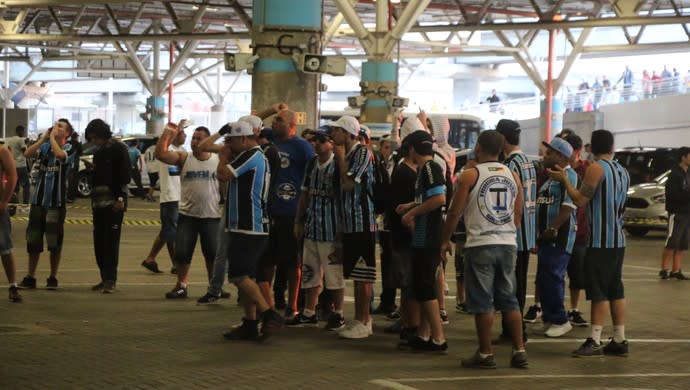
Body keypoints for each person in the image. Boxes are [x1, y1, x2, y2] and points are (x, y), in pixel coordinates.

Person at [441, 130, 527, 369]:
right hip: (508, 242)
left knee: (482, 301)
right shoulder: (512, 174)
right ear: (501, 149)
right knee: (509, 299)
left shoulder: (470, 175)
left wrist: (444, 240)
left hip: (480, 243)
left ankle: (486, 352)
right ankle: (519, 350)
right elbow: (518, 210)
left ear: (478, 147)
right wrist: (509, 229)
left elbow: (454, 212)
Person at [548, 129, 630, 357]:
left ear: (591, 147)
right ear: (612, 147)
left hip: (600, 241)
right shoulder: (623, 171)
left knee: (599, 291)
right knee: (616, 289)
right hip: (618, 239)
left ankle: (594, 339)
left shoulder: (596, 168)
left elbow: (580, 199)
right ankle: (620, 338)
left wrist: (564, 178)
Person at [218, 121, 284, 341]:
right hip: (247, 226)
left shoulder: (251, 155)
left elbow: (223, 175)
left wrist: (222, 157)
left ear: (244, 139)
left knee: (238, 275)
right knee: (248, 276)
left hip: (249, 227)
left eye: (233, 141)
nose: (230, 145)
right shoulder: (253, 156)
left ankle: (268, 313)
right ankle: (250, 321)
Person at [255, 105, 315, 319]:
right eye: (274, 120)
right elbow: (251, 120)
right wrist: (271, 109)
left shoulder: (302, 147)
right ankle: (268, 305)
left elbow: (312, 176)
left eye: (278, 120)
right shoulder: (270, 139)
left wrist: (304, 212)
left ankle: (293, 305)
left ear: (291, 125)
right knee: (266, 260)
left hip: (290, 212)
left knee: (291, 262)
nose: (273, 123)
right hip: (268, 211)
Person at [288, 129, 346, 330]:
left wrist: (342, 229)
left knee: (334, 274)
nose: (317, 144)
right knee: (309, 271)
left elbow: (344, 194)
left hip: (331, 230)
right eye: (315, 140)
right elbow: (304, 194)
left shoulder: (338, 165)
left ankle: (338, 313)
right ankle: (308, 312)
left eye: (322, 140)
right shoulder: (312, 163)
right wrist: (298, 221)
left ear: (331, 143)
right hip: (312, 227)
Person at [397, 130, 448, 352]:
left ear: (412, 149)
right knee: (423, 286)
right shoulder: (428, 168)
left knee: (426, 287)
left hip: (427, 237)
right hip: (424, 237)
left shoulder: (429, 168)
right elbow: (428, 198)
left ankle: (438, 337)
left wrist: (411, 213)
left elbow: (438, 198)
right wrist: (411, 206)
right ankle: (425, 334)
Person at [156, 125, 221, 299]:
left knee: (212, 253)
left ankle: (213, 288)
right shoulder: (184, 158)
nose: (194, 141)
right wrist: (169, 132)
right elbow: (160, 155)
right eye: (193, 137)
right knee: (183, 253)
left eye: (199, 138)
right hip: (188, 215)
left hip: (212, 215)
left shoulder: (218, 159)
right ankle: (181, 285)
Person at [329, 115, 377, 339]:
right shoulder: (349, 154)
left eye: (337, 130)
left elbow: (349, 185)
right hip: (349, 223)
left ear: (349, 133)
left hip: (362, 223)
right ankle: (359, 318)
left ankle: (364, 321)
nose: (333, 134)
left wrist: (339, 160)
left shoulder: (362, 152)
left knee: (362, 275)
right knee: (355, 273)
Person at [18, 119, 76, 290]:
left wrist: (52, 139)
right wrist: (43, 139)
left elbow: (60, 156)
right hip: (38, 202)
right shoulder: (45, 147)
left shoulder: (69, 148)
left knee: (54, 242)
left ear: (67, 134)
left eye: (61, 126)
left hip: (55, 204)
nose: (56, 127)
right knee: (34, 241)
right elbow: (28, 153)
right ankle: (31, 276)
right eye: (55, 124)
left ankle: (52, 277)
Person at [495, 119, 536, 340]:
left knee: (510, 286)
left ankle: (514, 331)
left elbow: (508, 201)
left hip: (513, 234)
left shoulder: (509, 166)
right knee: (519, 283)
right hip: (526, 233)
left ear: (502, 138)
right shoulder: (528, 163)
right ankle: (516, 329)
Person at [535, 137, 577, 338]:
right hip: (546, 237)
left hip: (558, 237)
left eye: (550, 153)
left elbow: (568, 207)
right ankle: (550, 317)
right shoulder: (551, 178)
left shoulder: (569, 176)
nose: (545, 156)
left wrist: (553, 228)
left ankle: (561, 320)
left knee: (553, 276)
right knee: (544, 279)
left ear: (561, 156)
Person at [85, 119, 131, 293]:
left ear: (102, 134)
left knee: (111, 242)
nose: (93, 141)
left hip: (113, 203)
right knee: (99, 241)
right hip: (98, 203)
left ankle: (111, 279)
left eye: (95, 137)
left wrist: (120, 198)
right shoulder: (98, 153)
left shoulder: (119, 149)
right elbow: (100, 176)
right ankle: (104, 277)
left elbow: (124, 174)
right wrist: (92, 171)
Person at [140, 126, 186, 274]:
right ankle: (173, 264)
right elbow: (165, 151)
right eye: (183, 133)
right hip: (170, 196)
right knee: (170, 231)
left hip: (177, 196)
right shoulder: (167, 150)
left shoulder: (181, 150)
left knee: (168, 231)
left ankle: (152, 259)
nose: (185, 136)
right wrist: (175, 129)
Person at [562, 134, 590, 327]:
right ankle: (540, 306)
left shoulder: (588, 170)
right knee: (550, 273)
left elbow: (582, 199)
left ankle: (573, 308)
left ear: (577, 151)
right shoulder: (554, 169)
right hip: (559, 229)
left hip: (579, 231)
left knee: (577, 275)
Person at [658, 147, 690, 280]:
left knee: (683, 243)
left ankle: (676, 270)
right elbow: (672, 194)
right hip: (677, 213)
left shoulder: (688, 173)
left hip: (687, 212)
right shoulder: (674, 174)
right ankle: (664, 269)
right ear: (683, 157)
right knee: (672, 241)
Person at [1, 143, 22, 302]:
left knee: (5, 246)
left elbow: (13, 176)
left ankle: (13, 285)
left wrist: (4, 202)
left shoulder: (2, 150)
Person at [4, 125, 30, 205]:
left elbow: (8, 150)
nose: (23, 133)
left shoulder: (10, 140)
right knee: (26, 185)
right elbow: (25, 153)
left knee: (15, 185)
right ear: (20, 131)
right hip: (21, 165)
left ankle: (14, 202)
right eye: (23, 131)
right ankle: (26, 203)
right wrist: (27, 145)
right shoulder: (21, 140)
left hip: (13, 165)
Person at [66, 132, 83, 202]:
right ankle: (73, 197)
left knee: (70, 181)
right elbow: (81, 153)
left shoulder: (68, 143)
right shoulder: (78, 144)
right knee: (74, 180)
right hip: (76, 164)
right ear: (76, 137)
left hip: (69, 164)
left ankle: (70, 197)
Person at [143, 137, 159, 202]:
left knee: (153, 183)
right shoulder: (158, 148)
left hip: (149, 168)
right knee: (153, 183)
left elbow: (145, 159)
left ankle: (150, 195)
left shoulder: (148, 149)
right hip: (155, 168)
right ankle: (149, 195)